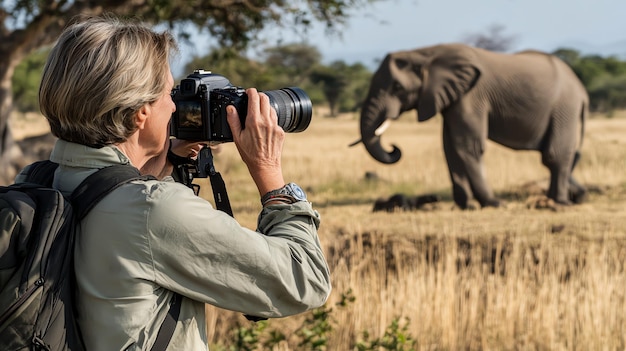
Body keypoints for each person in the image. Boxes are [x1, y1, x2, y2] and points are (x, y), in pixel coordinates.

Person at [18, 14, 331, 350]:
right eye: (169, 94)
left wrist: (166, 163)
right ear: (140, 112)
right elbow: (305, 281)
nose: (176, 108)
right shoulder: (153, 209)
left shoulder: (38, 182)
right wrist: (270, 174)